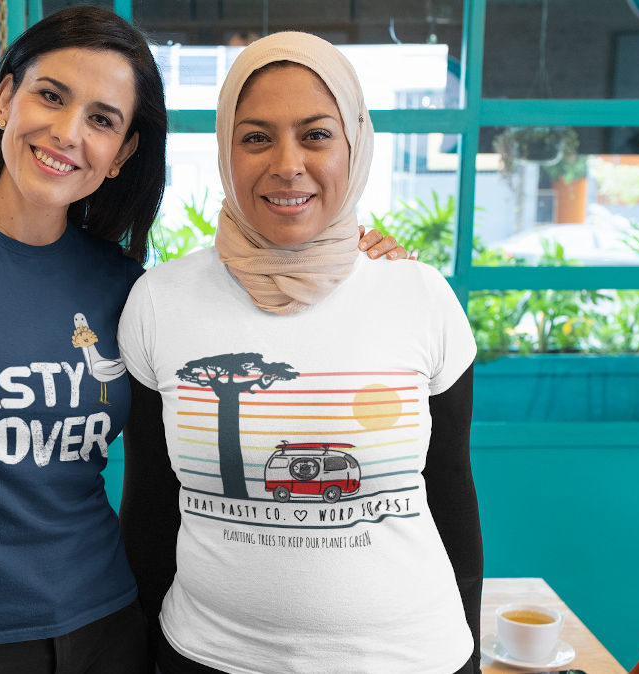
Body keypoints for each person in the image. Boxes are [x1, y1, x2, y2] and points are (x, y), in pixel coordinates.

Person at [0, 8, 409, 674]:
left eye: (102, 119)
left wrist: (354, 266)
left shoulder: (126, 286)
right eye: (51, 95)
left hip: (108, 629)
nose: (68, 133)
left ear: (123, 152)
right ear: (6, 99)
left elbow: (263, 331)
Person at [117, 31, 482, 674]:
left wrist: (472, 651)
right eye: (256, 136)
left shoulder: (419, 295)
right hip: (205, 656)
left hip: (411, 659)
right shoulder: (159, 301)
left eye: (316, 134)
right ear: (226, 151)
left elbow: (450, 487)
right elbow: (149, 504)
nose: (287, 163)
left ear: (356, 143)